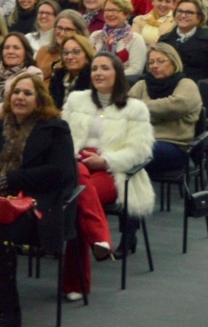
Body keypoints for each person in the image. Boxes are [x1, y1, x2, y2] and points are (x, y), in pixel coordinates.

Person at [0, 72, 77, 327]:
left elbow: (59, 173)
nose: (20, 98)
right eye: (16, 93)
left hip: (36, 204)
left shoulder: (56, 129)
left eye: (27, 93)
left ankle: (5, 313)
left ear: (39, 99)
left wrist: (10, 179)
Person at [60, 53, 156, 287]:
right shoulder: (76, 100)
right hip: (73, 163)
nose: (98, 73)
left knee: (77, 199)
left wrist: (105, 161)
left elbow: (139, 152)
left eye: (105, 68)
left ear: (118, 74)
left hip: (112, 171)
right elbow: (59, 137)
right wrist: (71, 157)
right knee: (79, 179)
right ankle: (100, 238)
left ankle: (76, 282)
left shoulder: (135, 109)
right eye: (94, 69)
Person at [132, 43, 200, 180]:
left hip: (174, 146)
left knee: (132, 154)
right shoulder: (142, 85)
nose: (154, 66)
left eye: (160, 61)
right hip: (140, 140)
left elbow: (174, 107)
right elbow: (125, 108)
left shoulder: (186, 84)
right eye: (151, 62)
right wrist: (158, 114)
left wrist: (139, 110)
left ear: (174, 62)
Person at [160, 0, 208, 82]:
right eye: (180, 11)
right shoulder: (164, 40)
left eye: (189, 12)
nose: (183, 15)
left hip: (197, 89)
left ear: (199, 17)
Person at [91, 0, 149, 79]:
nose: (110, 14)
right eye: (107, 10)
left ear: (125, 14)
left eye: (115, 10)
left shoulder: (135, 39)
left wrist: (108, 76)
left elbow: (136, 70)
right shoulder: (94, 36)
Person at [45, 30, 95, 111]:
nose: (70, 57)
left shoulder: (93, 79)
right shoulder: (57, 78)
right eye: (65, 53)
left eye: (76, 52)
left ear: (87, 55)